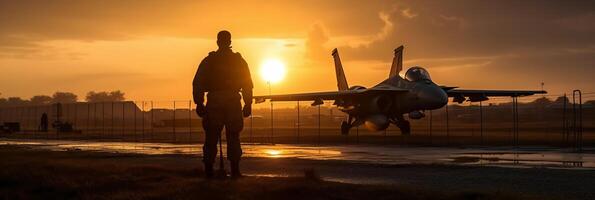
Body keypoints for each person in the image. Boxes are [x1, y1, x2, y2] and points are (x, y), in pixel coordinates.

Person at [193, 30, 253, 179]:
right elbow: (247, 84)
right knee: (233, 136)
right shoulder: (238, 60)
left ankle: (209, 170)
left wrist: (199, 103)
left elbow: (198, 83)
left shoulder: (209, 61)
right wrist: (248, 103)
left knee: (211, 137)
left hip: (215, 100)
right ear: (230, 41)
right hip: (232, 100)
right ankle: (235, 171)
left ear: (218, 42)